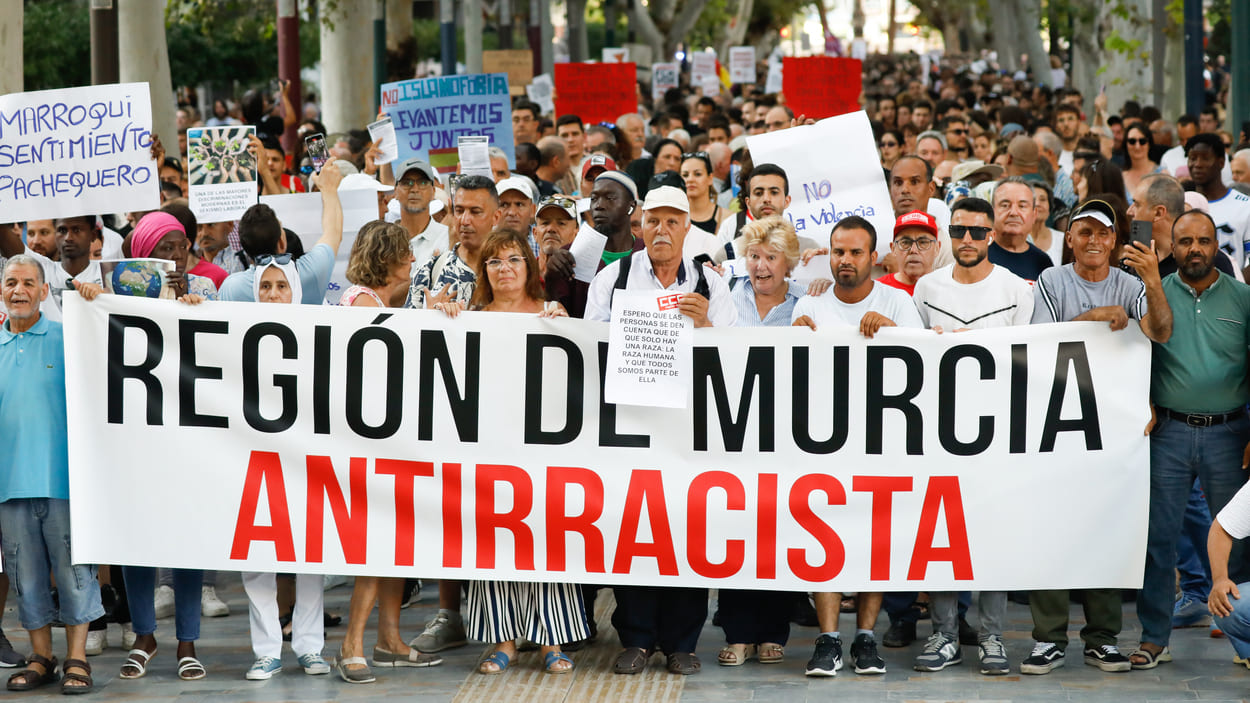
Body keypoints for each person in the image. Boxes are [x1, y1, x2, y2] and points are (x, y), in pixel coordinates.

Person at [584, 181, 735, 676]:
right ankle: (638, 638)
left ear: (688, 228)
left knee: (687, 530)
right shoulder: (614, 277)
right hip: (631, 425)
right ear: (639, 225)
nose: (663, 230)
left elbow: (738, 358)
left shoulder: (709, 283)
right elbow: (593, 347)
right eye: (654, 221)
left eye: (673, 221)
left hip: (689, 428)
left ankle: (682, 642)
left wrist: (706, 328)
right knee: (636, 532)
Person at [1024, 198, 1172, 675]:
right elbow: (1042, 345)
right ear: (1069, 238)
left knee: (1105, 528)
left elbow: (1161, 331)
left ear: (1114, 239)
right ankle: (1048, 638)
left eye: (1102, 233)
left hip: (1111, 427)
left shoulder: (1130, 283)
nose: (1092, 240)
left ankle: (1101, 638)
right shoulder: (1051, 279)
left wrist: (1151, 278)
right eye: (1083, 232)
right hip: (1056, 423)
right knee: (1052, 529)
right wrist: (1096, 317)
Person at [436, 230, 581, 674]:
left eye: (514, 260)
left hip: (545, 451)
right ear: (485, 272)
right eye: (495, 262)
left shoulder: (552, 315)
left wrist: (564, 322)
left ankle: (552, 642)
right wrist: (443, 316)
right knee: (496, 542)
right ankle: (504, 641)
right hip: (492, 449)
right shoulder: (472, 317)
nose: (504, 269)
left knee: (548, 540)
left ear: (531, 266)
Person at [793, 216, 923, 678]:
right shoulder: (810, 308)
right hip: (824, 443)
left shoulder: (898, 302)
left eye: (853, 252)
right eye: (837, 251)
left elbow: (924, 358)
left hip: (881, 441)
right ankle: (828, 638)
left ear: (874, 256)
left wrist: (891, 330)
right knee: (824, 537)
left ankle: (865, 637)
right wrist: (796, 337)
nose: (844, 260)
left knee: (874, 538)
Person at [910, 197, 1034, 676]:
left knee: (992, 534)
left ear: (991, 237)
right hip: (937, 431)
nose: (967, 240)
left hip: (995, 431)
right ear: (949, 233)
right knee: (941, 533)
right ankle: (943, 633)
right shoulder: (926, 286)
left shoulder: (1014, 289)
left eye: (977, 233)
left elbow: (1030, 357)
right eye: (959, 230)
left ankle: (992, 636)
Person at [1132, 209, 1250, 670]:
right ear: (1172, 246)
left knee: (1237, 540)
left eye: (1204, 240)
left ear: (1215, 245)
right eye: (1185, 241)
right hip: (1170, 432)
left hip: (1230, 432)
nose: (1195, 249)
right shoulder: (1152, 293)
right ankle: (1153, 638)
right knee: (1158, 540)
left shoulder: (1242, 297)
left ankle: (1244, 641)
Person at [332, 220, 435, 683]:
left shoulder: (375, 303)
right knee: (375, 548)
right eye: (405, 253)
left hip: (393, 442)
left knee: (395, 547)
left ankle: (388, 640)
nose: (413, 261)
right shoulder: (360, 304)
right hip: (372, 445)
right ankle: (351, 645)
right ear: (387, 258)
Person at [0, 256, 104, 694]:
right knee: (25, 575)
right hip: (9, 486)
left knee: (75, 570)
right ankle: (41, 655)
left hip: (65, 483)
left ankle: (77, 658)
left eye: (28, 282)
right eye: (10, 282)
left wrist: (100, 305)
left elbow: (112, 355)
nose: (18, 290)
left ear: (45, 292)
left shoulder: (69, 338)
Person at [717, 216, 805, 666]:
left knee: (778, 534)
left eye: (771, 257)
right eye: (754, 256)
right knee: (736, 533)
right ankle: (737, 631)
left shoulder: (809, 304)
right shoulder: (727, 302)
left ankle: (773, 630)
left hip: (787, 438)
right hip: (733, 436)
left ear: (789, 264)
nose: (762, 266)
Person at [218, 164, 344, 303]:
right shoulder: (311, 271)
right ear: (282, 243)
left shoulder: (232, 287)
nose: (273, 294)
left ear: (246, 251)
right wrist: (329, 189)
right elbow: (334, 232)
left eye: (282, 287)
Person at [407, 175, 500, 310]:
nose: (464, 220)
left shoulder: (512, 272)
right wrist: (431, 315)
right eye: (459, 210)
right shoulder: (430, 270)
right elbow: (408, 327)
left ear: (496, 217)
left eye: (475, 212)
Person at [1186, 134, 1250, 273]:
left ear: (1221, 162)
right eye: (1192, 158)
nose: (1197, 164)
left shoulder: (1245, 206)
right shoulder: (1181, 205)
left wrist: (1233, 288)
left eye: (1205, 158)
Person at [988, 177, 1054, 281]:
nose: (1014, 212)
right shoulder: (978, 254)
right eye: (1005, 205)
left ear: (1034, 214)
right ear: (992, 212)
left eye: (1022, 206)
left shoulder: (1042, 262)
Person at [392, 158, 449, 275]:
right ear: (395, 192)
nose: (414, 189)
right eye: (407, 183)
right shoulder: (383, 241)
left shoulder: (447, 238)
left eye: (423, 183)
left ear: (433, 192)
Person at [878, 210, 941, 295]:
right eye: (905, 243)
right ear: (893, 248)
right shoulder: (877, 292)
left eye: (923, 242)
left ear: (937, 248)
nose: (913, 250)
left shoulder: (948, 291)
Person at [681, 151, 724, 237]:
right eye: (685, 175)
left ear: (710, 178)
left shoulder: (727, 217)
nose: (690, 179)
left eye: (697, 174)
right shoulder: (674, 217)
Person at [1122, 121, 1161, 196]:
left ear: (1149, 144)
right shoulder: (1119, 178)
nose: (1137, 146)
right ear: (1125, 144)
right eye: (1132, 141)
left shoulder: (1162, 174)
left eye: (1142, 141)